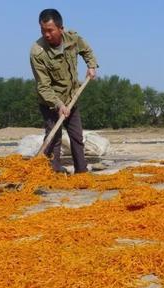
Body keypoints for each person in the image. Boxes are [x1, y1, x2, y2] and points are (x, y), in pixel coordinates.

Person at [29, 8, 98, 173]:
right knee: (54, 139)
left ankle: (81, 173)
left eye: (50, 30)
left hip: (71, 98)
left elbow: (86, 50)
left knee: (77, 137)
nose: (46, 34)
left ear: (61, 28)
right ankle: (53, 173)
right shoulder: (37, 52)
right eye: (43, 30)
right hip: (50, 103)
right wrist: (59, 105)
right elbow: (43, 86)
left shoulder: (72, 38)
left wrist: (91, 65)